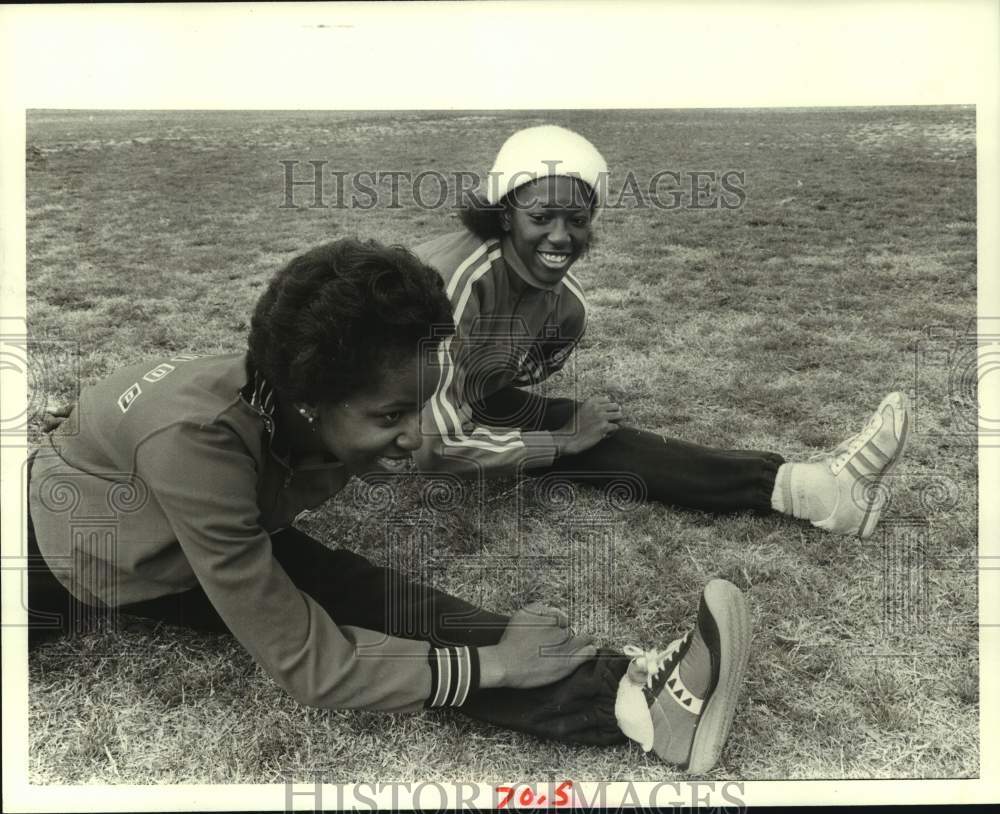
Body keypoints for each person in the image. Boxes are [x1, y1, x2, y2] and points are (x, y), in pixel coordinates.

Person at [25, 238, 752, 772]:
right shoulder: (197, 447)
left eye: (422, 403)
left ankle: (641, 702)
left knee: (373, 597)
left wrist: (557, 444)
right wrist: (492, 666)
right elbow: (309, 665)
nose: (416, 433)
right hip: (63, 563)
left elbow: (442, 449)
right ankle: (627, 707)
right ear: (311, 405)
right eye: (391, 416)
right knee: (346, 611)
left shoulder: (305, 389)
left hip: (175, 513)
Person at [412, 125, 910, 539]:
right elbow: (431, 451)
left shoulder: (567, 308)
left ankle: (809, 489)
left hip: (456, 400)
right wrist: (557, 442)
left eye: (577, 219)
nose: (561, 237)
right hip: (389, 418)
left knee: (594, 435)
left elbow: (508, 382)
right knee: (567, 435)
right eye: (541, 217)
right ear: (504, 214)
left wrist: (550, 432)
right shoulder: (453, 282)